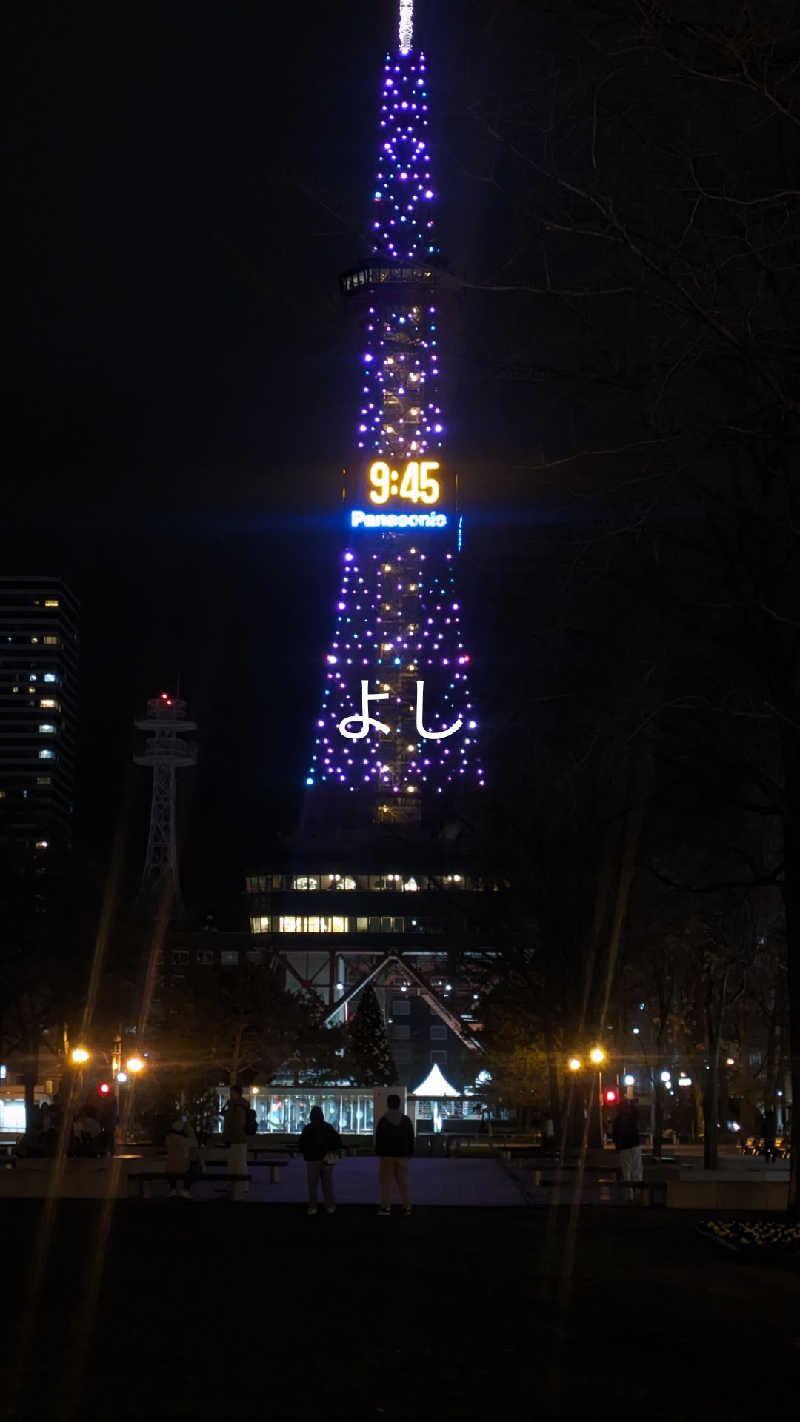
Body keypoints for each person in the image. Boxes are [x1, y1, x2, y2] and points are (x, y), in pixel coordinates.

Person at [298, 1105, 342, 1216]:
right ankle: (330, 1206)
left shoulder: (308, 1128)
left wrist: (306, 1153)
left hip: (312, 1160)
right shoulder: (328, 1127)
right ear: (322, 1115)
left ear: (311, 1116)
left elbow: (301, 1144)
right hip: (327, 1159)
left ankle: (313, 1207)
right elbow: (337, 1141)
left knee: (312, 1185)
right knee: (327, 1185)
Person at [376, 1093, 414, 1216]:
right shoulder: (406, 1120)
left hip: (387, 1155)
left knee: (386, 1183)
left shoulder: (383, 1120)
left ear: (388, 1104)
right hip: (402, 1155)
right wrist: (409, 1152)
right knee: (403, 1182)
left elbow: (379, 1139)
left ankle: (385, 1208)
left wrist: (379, 1152)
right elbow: (410, 1138)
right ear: (399, 1104)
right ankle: (407, 1207)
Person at [222, 1084, 249, 1201]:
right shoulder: (233, 1105)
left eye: (232, 1092)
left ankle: (240, 1185)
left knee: (238, 1162)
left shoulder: (238, 1106)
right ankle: (237, 1185)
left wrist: (230, 1136)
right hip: (235, 1138)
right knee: (236, 1162)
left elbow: (237, 1124)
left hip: (237, 1139)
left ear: (237, 1093)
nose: (230, 1094)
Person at [612, 1098, 642, 1198]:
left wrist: (617, 1147)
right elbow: (637, 1114)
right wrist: (633, 1104)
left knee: (626, 1171)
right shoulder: (632, 1117)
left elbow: (615, 1135)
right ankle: (638, 1193)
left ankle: (629, 1195)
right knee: (636, 1170)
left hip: (624, 1147)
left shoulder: (618, 1119)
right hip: (634, 1145)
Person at [165, 1117, 198, 1198]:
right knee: (194, 1166)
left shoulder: (168, 1139)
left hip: (170, 1169)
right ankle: (186, 1189)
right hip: (184, 1169)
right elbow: (195, 1142)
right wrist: (188, 1127)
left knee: (172, 1164)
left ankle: (172, 1189)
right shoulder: (185, 1141)